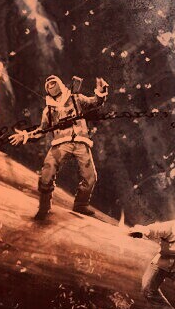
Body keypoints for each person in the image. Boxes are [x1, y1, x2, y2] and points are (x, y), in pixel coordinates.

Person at [10, 74, 108, 220]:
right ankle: (44, 207)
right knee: (47, 173)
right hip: (61, 143)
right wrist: (25, 136)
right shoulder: (48, 110)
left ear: (60, 84)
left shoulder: (76, 98)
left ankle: (81, 204)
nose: (52, 86)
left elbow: (95, 102)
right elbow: (42, 130)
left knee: (90, 176)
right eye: (49, 85)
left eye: (54, 83)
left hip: (80, 141)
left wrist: (100, 91)